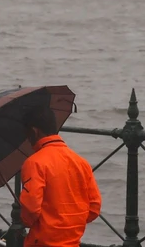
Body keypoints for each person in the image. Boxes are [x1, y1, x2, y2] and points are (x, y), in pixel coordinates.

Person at [18, 105, 102, 247]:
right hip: (73, 241)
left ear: (34, 131)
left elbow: (31, 209)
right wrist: (68, 224)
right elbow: (94, 207)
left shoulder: (35, 163)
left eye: (27, 134)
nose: (28, 139)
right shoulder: (81, 162)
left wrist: (26, 219)